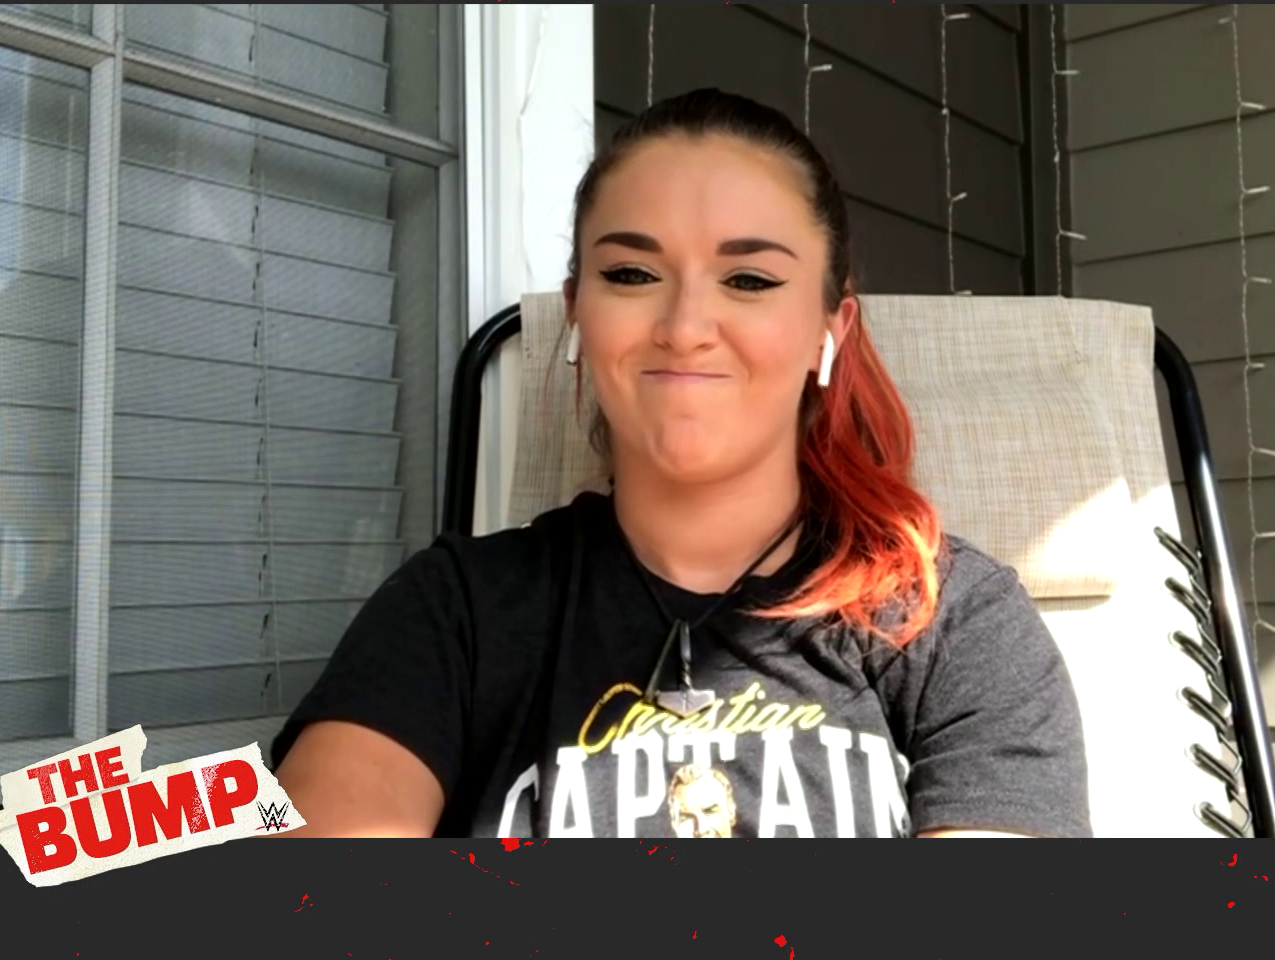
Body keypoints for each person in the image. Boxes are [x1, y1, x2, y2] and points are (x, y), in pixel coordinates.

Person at [268, 88, 1091, 838]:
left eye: (749, 279)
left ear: (829, 331)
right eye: (632, 274)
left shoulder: (955, 622)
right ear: (579, 314)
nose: (686, 327)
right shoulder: (453, 610)